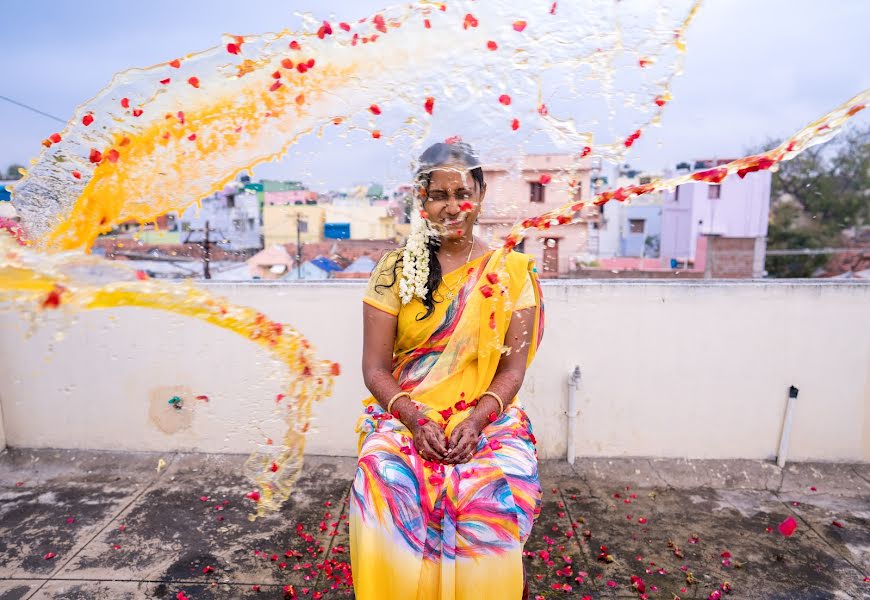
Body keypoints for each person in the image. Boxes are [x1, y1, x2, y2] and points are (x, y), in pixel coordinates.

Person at [350, 140, 545, 600]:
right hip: (405, 416)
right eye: (439, 195)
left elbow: (513, 370)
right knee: (382, 480)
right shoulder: (394, 270)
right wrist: (415, 420)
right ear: (422, 200)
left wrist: (476, 421)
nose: (453, 206)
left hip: (488, 417)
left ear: (479, 195)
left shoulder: (511, 271)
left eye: (463, 193)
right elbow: (375, 368)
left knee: (496, 491)